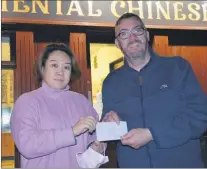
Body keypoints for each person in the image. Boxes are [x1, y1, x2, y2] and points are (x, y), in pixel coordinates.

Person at [101, 12, 207, 168]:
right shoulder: (110, 82)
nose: (132, 38)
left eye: (137, 30)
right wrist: (108, 122)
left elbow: (201, 115)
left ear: (147, 35)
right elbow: (108, 126)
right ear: (117, 43)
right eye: (124, 34)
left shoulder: (178, 67)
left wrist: (151, 134)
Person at [10, 44, 106, 168]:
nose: (60, 72)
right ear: (43, 68)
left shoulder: (81, 101)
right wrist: (71, 132)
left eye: (66, 67)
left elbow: (95, 136)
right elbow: (27, 145)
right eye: (54, 65)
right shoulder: (27, 101)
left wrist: (99, 146)